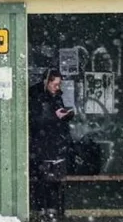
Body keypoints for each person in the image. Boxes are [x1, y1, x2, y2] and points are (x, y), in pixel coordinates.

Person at [29, 69, 73, 221]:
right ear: (46, 82)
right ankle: (42, 210)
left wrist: (65, 117)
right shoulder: (36, 97)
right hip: (41, 144)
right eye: (54, 84)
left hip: (55, 143)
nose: (57, 87)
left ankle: (53, 209)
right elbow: (35, 121)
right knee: (42, 179)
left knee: (55, 180)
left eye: (59, 84)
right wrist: (55, 118)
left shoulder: (56, 96)